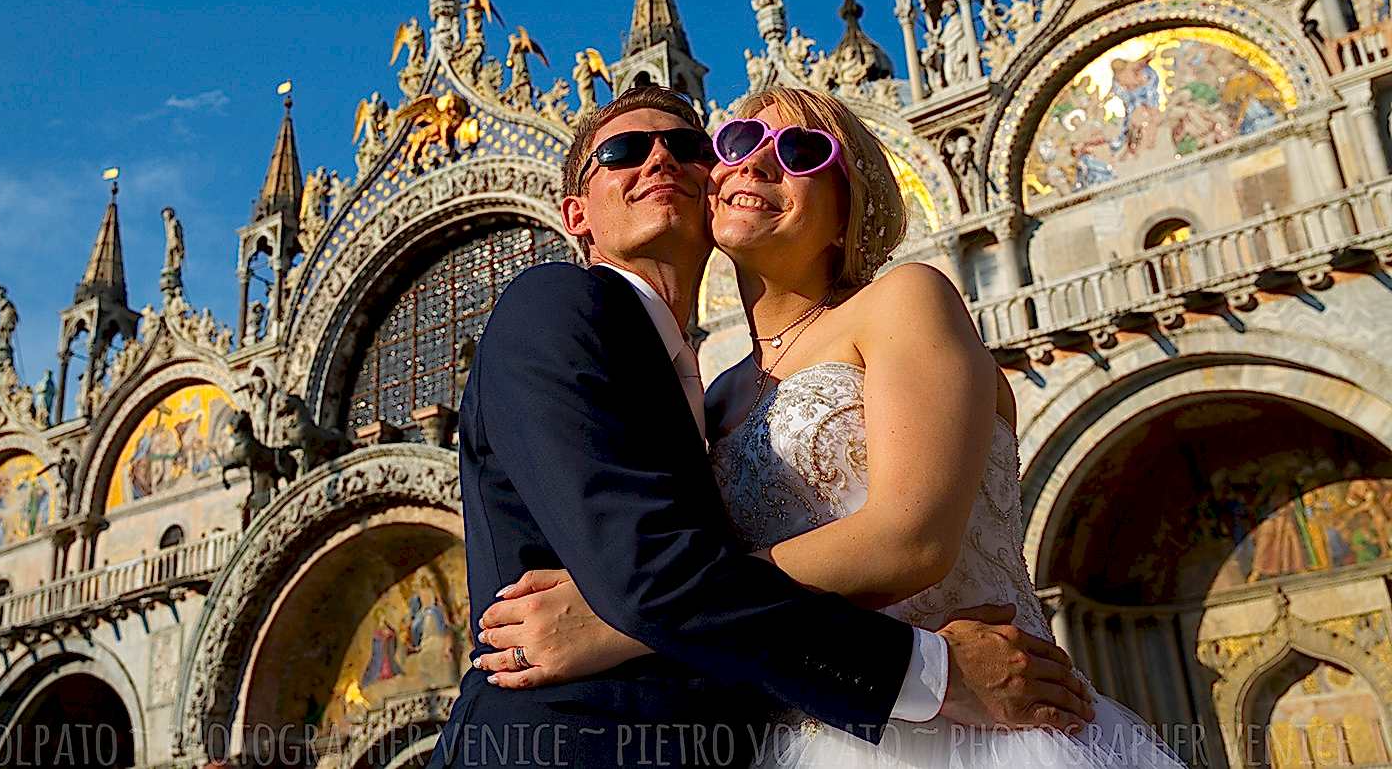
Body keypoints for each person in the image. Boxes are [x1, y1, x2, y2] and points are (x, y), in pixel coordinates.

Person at [475, 85, 1184, 767]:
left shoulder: (904, 299)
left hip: (983, 726)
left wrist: (620, 621)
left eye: (803, 150)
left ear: (849, 211)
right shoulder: (713, 395)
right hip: (817, 726)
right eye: (739, 141)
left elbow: (912, 538)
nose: (756, 162)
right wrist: (655, 604)